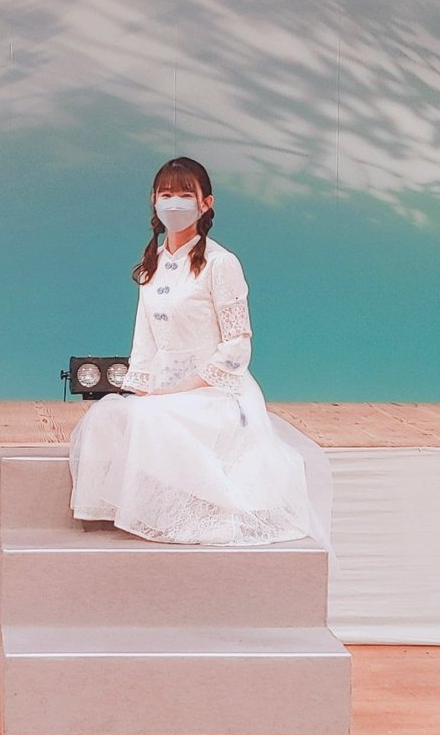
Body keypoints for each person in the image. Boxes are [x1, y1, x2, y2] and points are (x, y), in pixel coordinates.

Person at [70, 157, 330, 548]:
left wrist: (186, 387)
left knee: (153, 418)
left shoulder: (221, 263)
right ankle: (146, 512)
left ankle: (197, 515)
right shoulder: (153, 264)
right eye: (166, 195)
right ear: (154, 201)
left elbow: (237, 344)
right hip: (164, 388)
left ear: (206, 203)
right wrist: (142, 386)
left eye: (185, 195)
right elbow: (145, 338)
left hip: (215, 392)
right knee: (109, 416)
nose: (174, 203)